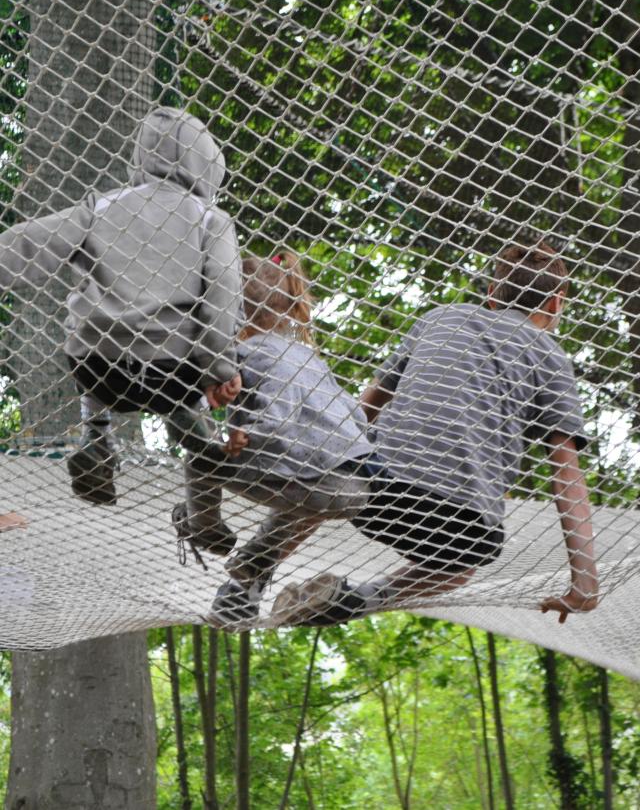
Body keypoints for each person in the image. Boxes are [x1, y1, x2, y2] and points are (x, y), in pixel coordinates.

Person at [271, 241, 599, 627]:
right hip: (462, 523)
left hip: (377, 488)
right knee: (460, 568)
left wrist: (313, 459)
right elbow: (566, 475)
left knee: (327, 481)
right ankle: (362, 598)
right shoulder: (550, 357)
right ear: (557, 303)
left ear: (491, 294)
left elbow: (366, 410)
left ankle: (251, 576)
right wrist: (585, 583)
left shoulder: (441, 317)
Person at [0, 107, 242, 541]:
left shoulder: (101, 206)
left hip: (97, 365)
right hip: (174, 371)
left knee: (95, 331)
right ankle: (200, 449)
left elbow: (31, 244)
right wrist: (219, 369)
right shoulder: (210, 220)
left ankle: (96, 436)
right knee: (187, 383)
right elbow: (221, 297)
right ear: (207, 164)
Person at [175, 251, 372, 623]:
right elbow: (355, 415)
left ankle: (206, 528)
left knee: (199, 458)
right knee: (301, 496)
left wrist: (247, 434)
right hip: (356, 486)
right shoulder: (307, 356)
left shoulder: (245, 354)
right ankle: (244, 584)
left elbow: (278, 414)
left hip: (312, 477)